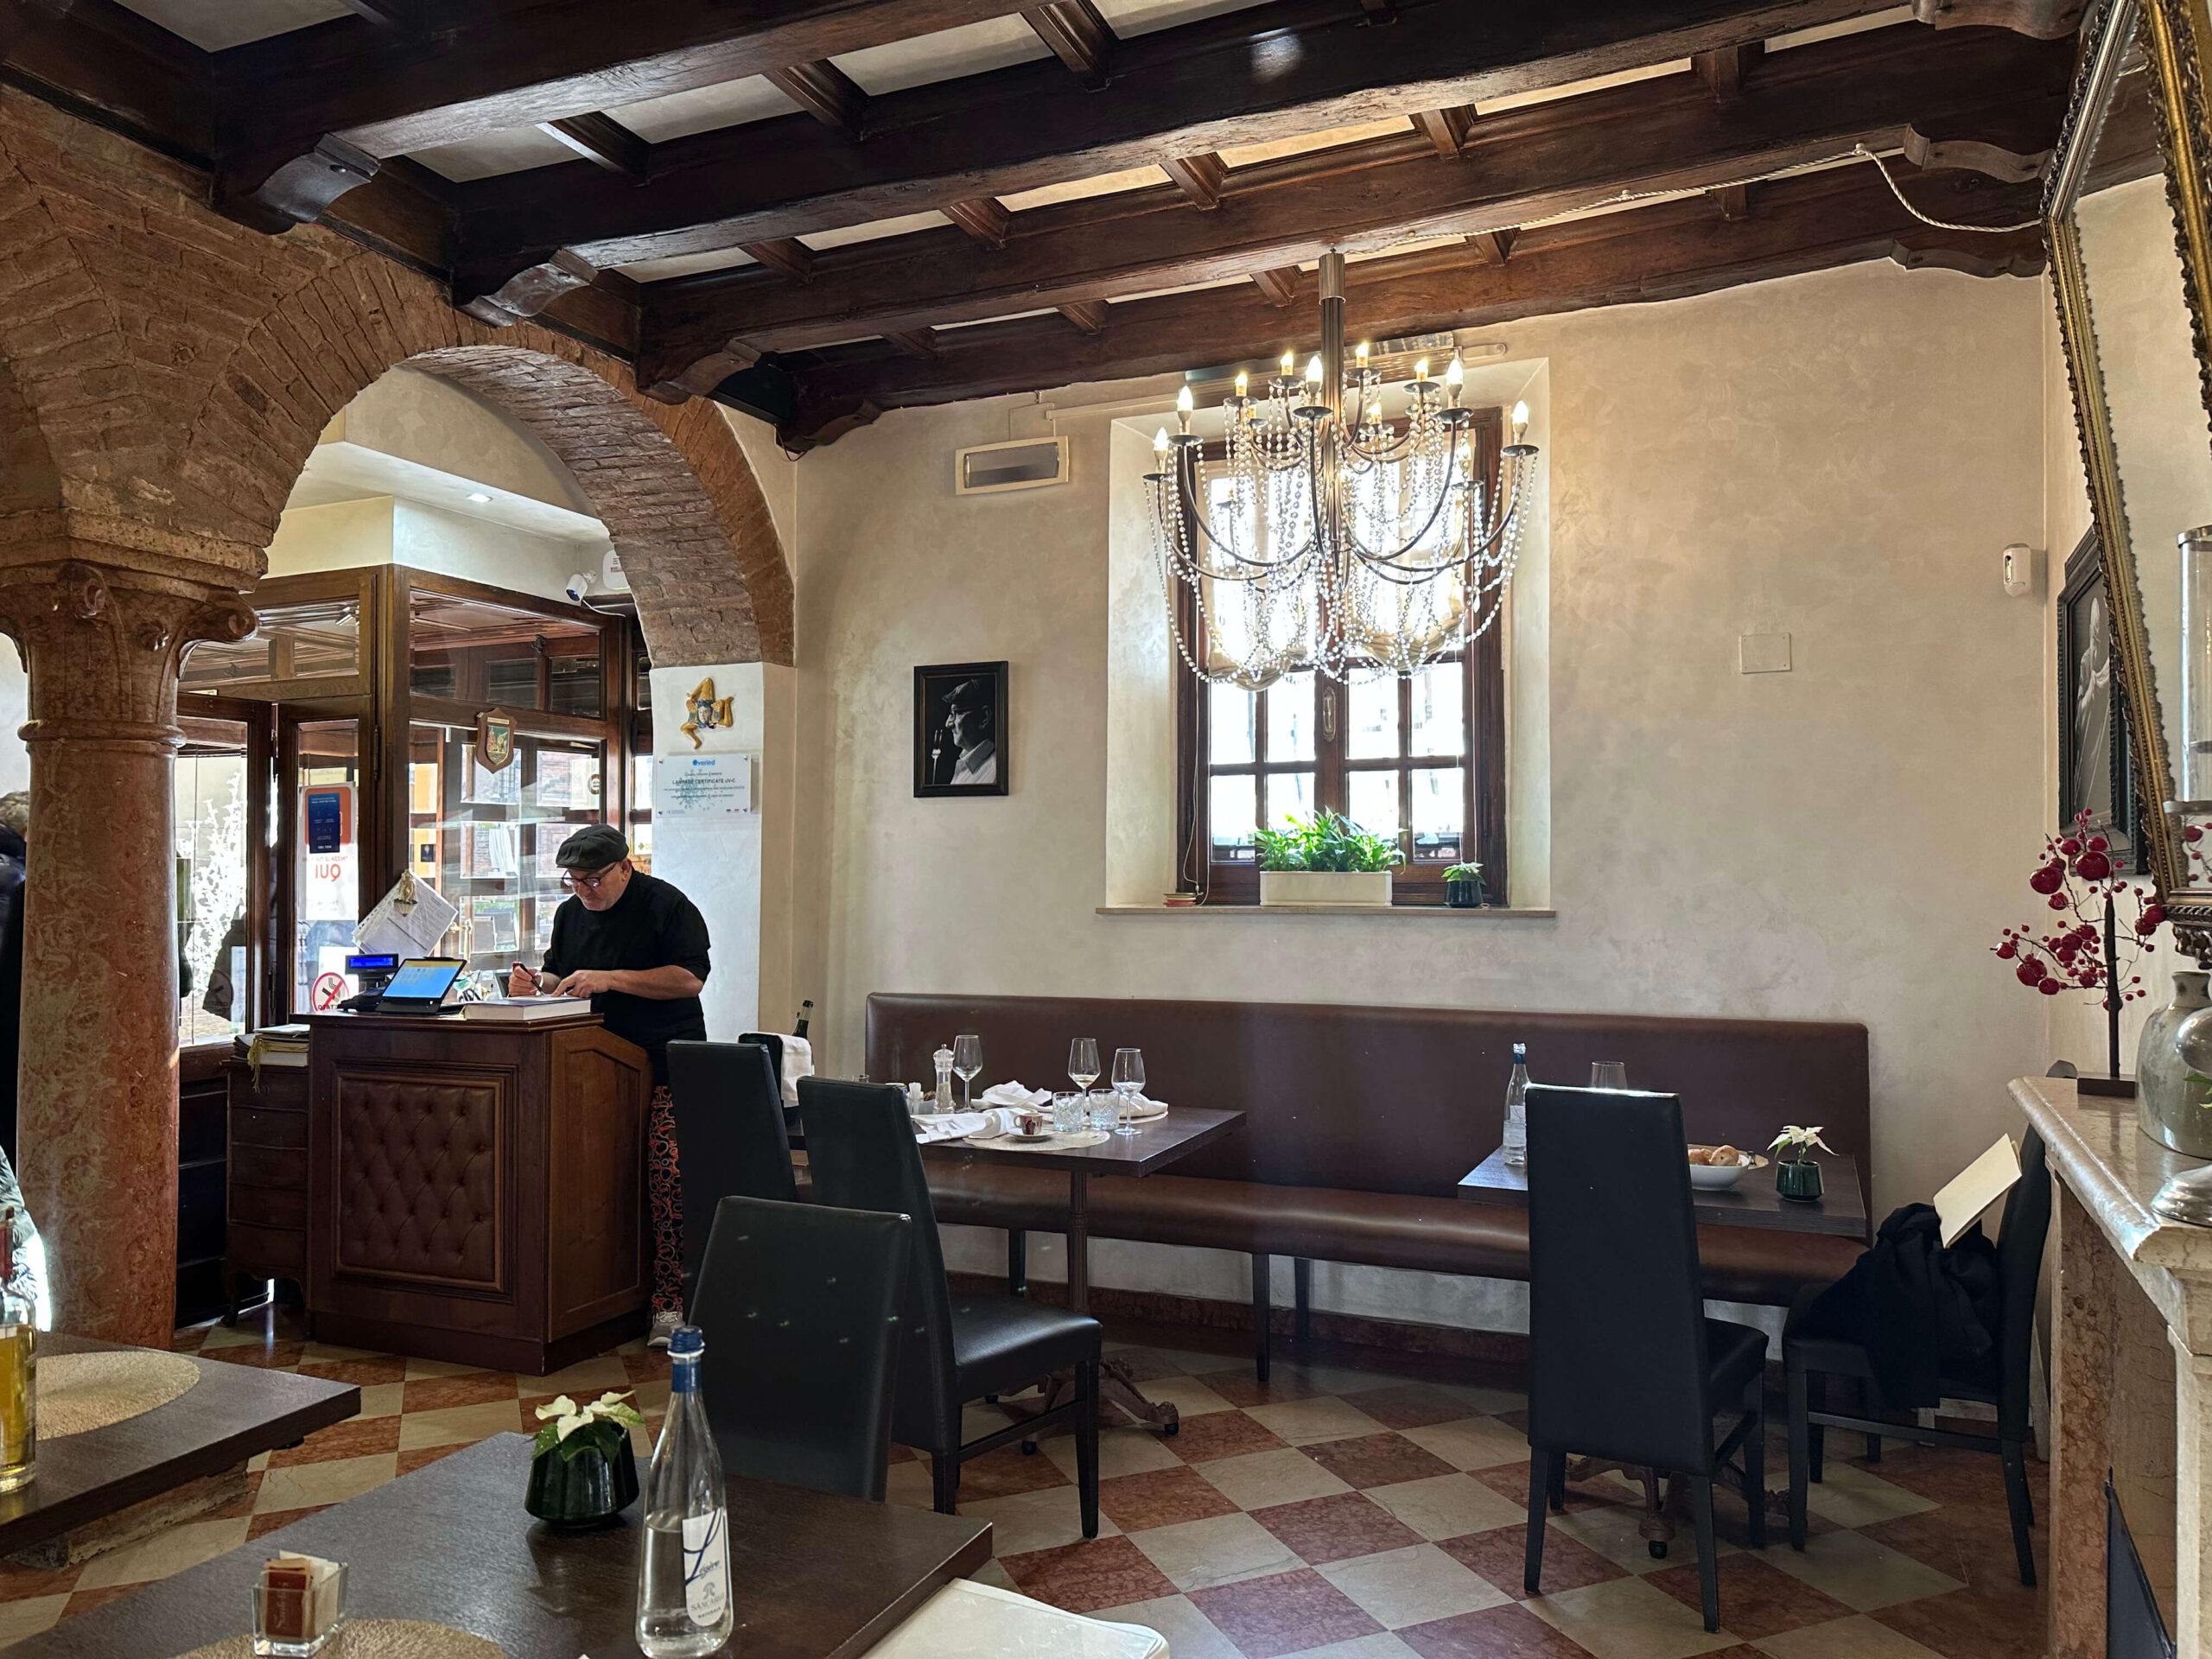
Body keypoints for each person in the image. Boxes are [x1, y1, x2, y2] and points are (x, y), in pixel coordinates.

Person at [509, 823, 709, 1346]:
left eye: (593, 880)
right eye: (573, 881)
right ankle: (597, 1300)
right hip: (593, 1068)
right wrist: (537, 983)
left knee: (667, 1180)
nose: (583, 891)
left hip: (666, 1064)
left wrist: (610, 977)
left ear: (625, 867)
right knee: (593, 1180)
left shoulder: (667, 905)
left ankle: (671, 1303)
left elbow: (690, 979)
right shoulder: (569, 914)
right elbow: (559, 977)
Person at [941, 677, 997, 786]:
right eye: (951, 714)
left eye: (957, 713)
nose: (948, 723)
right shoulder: (966, 766)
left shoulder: (994, 773)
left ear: (984, 717)